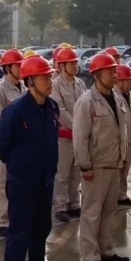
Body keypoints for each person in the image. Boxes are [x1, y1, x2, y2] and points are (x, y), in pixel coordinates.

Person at [0, 56, 61, 261]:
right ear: (30, 81)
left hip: (45, 180)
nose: (50, 81)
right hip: (22, 183)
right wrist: (21, 167)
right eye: (45, 77)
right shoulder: (15, 110)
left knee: (41, 230)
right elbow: (2, 145)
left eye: (50, 76)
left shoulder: (52, 107)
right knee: (19, 233)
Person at [72, 53, 131, 261]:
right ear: (96, 75)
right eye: (110, 72)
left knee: (109, 211)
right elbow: (80, 137)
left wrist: (122, 159)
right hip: (95, 167)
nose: (114, 75)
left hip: (114, 164)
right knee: (91, 212)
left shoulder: (117, 98)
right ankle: (90, 254)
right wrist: (85, 165)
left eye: (115, 71)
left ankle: (106, 249)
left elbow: (122, 131)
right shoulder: (86, 102)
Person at [0, 48, 24, 238]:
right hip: (8, 146)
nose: (21, 68)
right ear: (8, 68)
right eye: (18, 65)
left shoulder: (25, 86)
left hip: (23, 145)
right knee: (4, 183)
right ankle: (2, 221)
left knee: (18, 185)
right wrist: (8, 146)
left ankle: (14, 217)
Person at [50, 47, 86, 223]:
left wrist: (83, 128)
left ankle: (74, 203)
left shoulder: (80, 83)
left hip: (78, 136)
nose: (75, 66)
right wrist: (78, 126)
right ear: (62, 65)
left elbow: (86, 106)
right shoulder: (55, 85)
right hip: (64, 137)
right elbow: (60, 110)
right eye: (72, 63)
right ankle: (60, 206)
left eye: (76, 63)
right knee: (62, 173)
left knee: (76, 172)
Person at [115, 65, 131, 207]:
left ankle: (121, 195)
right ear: (119, 81)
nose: (130, 83)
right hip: (118, 141)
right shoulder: (114, 97)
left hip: (129, 139)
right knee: (117, 170)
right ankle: (114, 195)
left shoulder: (130, 96)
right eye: (128, 80)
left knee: (125, 169)